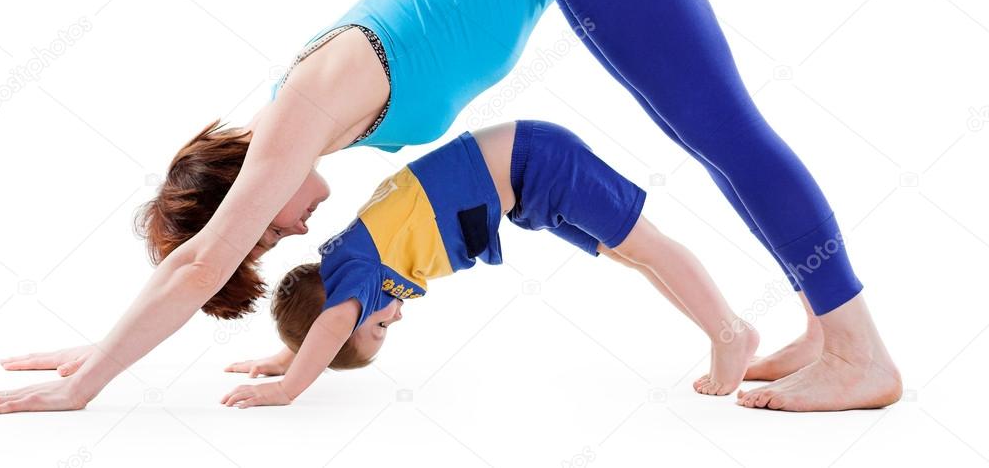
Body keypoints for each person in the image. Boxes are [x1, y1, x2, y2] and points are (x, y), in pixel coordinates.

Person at [0, 0, 898, 415]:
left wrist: (86, 384)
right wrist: (104, 338)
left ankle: (858, 350)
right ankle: (826, 329)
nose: (295, 228)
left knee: (722, 129)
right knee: (714, 132)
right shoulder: (323, 122)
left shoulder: (300, 108)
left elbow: (198, 262)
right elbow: (198, 266)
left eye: (266, 225)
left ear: (240, 189)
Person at [220, 120, 758, 409]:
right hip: (525, 188)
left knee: (648, 246)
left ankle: (730, 333)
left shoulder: (357, 275)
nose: (395, 318)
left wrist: (288, 387)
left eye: (381, 324)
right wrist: (286, 353)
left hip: (536, 162)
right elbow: (326, 320)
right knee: (630, 255)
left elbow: (334, 322)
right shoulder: (348, 265)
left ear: (352, 311)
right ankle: (725, 330)